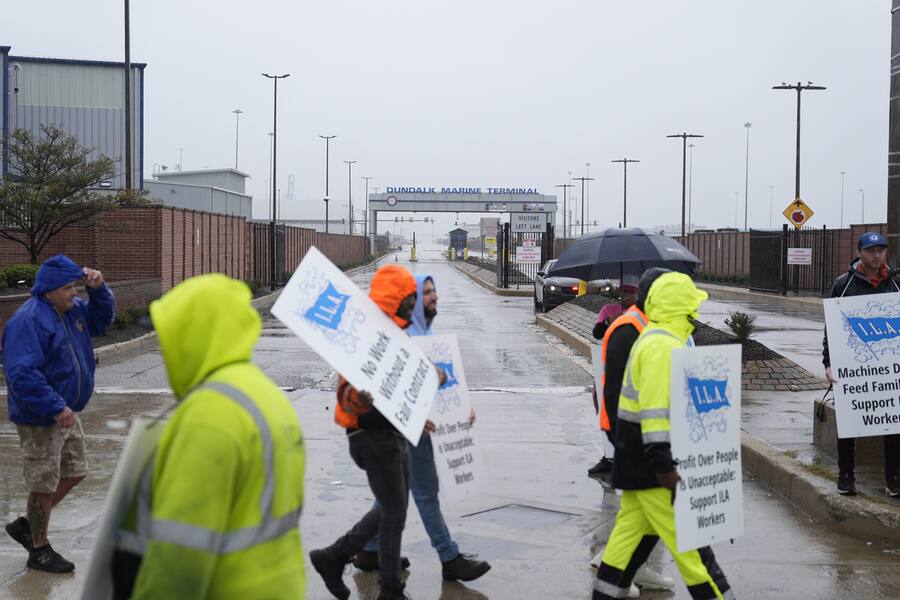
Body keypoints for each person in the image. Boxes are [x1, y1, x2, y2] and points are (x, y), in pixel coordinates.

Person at [111, 273, 306, 598]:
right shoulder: (265, 394)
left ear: (194, 335)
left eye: (170, 337)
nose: (164, 349)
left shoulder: (210, 414)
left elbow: (180, 557)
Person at [593, 271, 734, 600]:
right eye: (692, 307)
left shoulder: (656, 338)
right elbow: (654, 413)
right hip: (653, 467)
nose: (696, 314)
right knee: (695, 553)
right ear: (680, 307)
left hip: (635, 460)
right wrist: (664, 466)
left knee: (624, 544)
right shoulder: (661, 346)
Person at [310, 264, 438, 600]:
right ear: (391, 300)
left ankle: (334, 556)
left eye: (414, 302)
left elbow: (397, 388)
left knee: (390, 507)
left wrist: (413, 415)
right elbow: (346, 394)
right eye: (408, 302)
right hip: (370, 437)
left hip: (392, 433)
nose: (414, 309)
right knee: (394, 512)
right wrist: (359, 401)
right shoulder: (365, 336)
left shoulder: (395, 333)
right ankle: (390, 590)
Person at [353, 274, 491, 582]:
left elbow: (444, 384)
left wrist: (459, 409)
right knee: (426, 494)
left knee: (391, 496)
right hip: (409, 430)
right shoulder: (405, 338)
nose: (434, 296)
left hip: (417, 429)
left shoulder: (428, 335)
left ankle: (369, 550)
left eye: (434, 290)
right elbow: (389, 390)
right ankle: (449, 556)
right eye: (426, 292)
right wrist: (413, 418)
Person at [3, 254, 115, 573]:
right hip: (42, 418)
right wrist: (54, 407)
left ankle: (27, 523)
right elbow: (21, 374)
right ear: (50, 289)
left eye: (76, 287)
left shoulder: (72, 310)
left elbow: (101, 321)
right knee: (43, 483)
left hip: (66, 411)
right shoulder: (28, 321)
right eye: (69, 288)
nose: (74, 293)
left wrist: (99, 290)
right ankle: (38, 549)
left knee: (76, 470)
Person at [591, 270, 676, 597]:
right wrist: (621, 442)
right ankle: (616, 575)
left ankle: (625, 572)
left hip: (649, 439)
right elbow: (615, 393)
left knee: (639, 515)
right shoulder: (627, 331)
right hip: (635, 440)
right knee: (652, 511)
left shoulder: (654, 327)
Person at [823, 231, 900, 497]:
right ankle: (846, 476)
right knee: (849, 422)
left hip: (889, 371)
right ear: (860, 253)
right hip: (854, 369)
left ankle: (894, 479)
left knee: (893, 422)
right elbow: (830, 330)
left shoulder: (896, 284)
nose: (876, 255)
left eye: (880, 250)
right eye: (871, 250)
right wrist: (829, 365)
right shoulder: (843, 285)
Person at [588, 277, 639, 476]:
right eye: (623, 292)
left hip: (632, 368)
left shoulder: (641, 315)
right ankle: (608, 454)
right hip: (609, 364)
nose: (626, 296)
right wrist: (610, 322)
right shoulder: (609, 310)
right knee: (601, 403)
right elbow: (597, 332)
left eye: (630, 292)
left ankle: (625, 455)